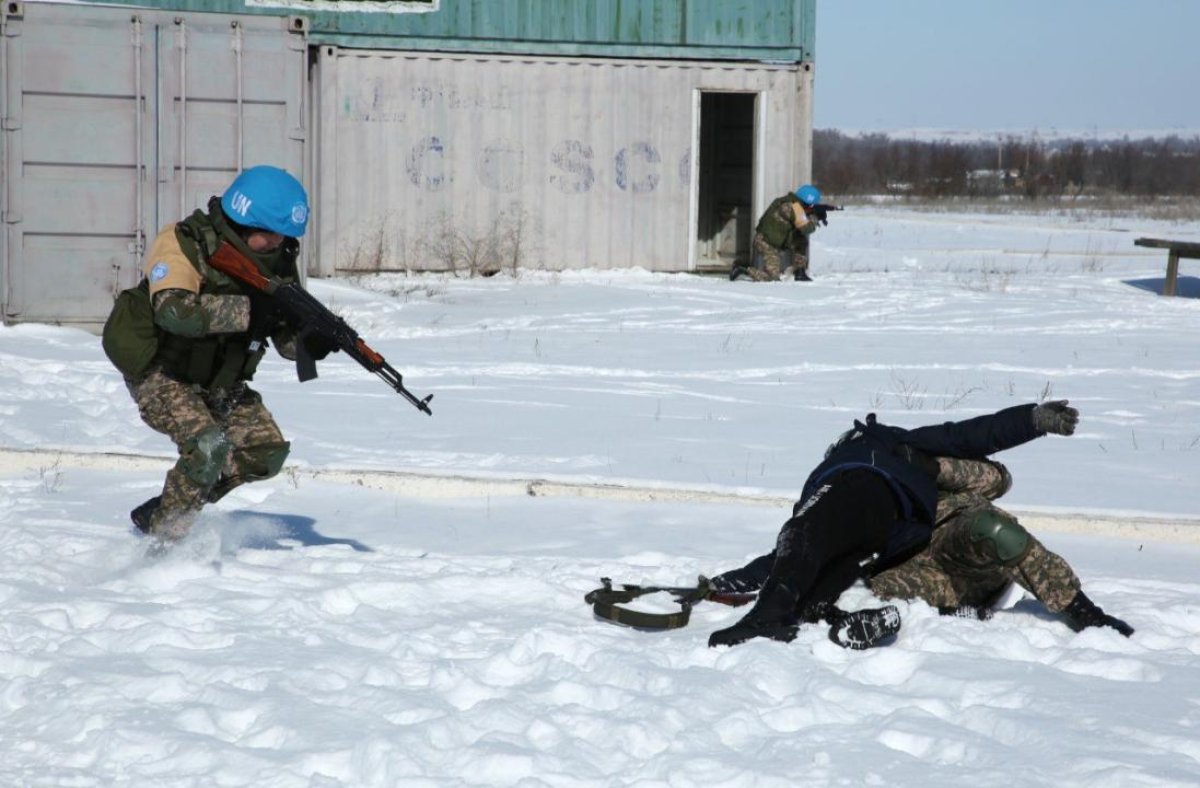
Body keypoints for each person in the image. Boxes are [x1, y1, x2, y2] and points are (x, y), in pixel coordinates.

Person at [705, 400, 1101, 648]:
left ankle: (1085, 614)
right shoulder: (843, 478)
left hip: (936, 534)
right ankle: (846, 617)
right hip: (928, 573)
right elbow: (798, 551)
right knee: (847, 577)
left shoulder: (891, 448)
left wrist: (1030, 419)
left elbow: (971, 434)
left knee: (823, 530)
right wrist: (732, 581)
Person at [102, 166, 334, 550]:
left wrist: (313, 340)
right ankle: (162, 544)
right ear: (243, 221)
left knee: (265, 452)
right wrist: (249, 312)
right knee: (208, 448)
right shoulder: (183, 242)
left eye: (284, 236)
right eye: (270, 234)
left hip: (219, 376)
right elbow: (173, 310)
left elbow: (285, 342)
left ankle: (173, 503)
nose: (278, 243)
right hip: (163, 371)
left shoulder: (275, 256)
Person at [865, 454, 1134, 637]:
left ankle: (1083, 613)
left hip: (956, 537)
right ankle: (951, 614)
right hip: (918, 571)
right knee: (862, 595)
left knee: (993, 530)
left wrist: (933, 467)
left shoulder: (911, 456)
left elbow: (998, 479)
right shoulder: (842, 488)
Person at [731, 183, 821, 282]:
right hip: (766, 243)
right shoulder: (792, 207)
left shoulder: (790, 203)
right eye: (811, 205)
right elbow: (807, 228)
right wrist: (814, 218)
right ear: (807, 202)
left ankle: (800, 272)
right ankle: (742, 270)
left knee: (800, 241)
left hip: (772, 239)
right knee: (772, 278)